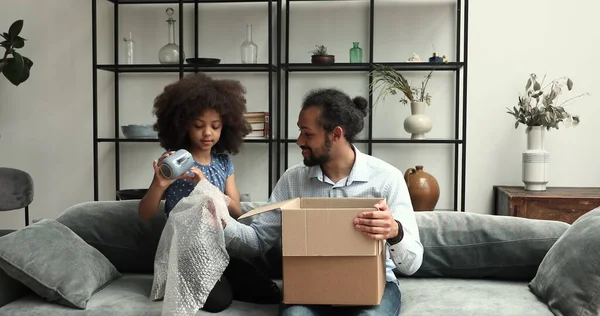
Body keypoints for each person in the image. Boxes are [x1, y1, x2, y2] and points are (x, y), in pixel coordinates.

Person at [223, 87, 424, 315]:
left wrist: (394, 232)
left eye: (307, 134)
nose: (299, 141)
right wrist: (217, 217)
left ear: (335, 134)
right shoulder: (293, 179)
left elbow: (412, 264)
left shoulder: (387, 178)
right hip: (309, 288)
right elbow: (257, 241)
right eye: (300, 132)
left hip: (372, 286)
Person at [138, 73, 281, 313]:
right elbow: (144, 213)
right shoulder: (174, 162)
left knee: (271, 294)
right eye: (198, 126)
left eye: (215, 126)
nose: (207, 133)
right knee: (218, 303)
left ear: (226, 127)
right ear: (183, 125)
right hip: (186, 253)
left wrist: (206, 186)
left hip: (220, 247)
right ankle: (210, 283)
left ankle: (222, 278)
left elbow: (235, 210)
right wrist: (159, 184)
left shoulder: (223, 163)